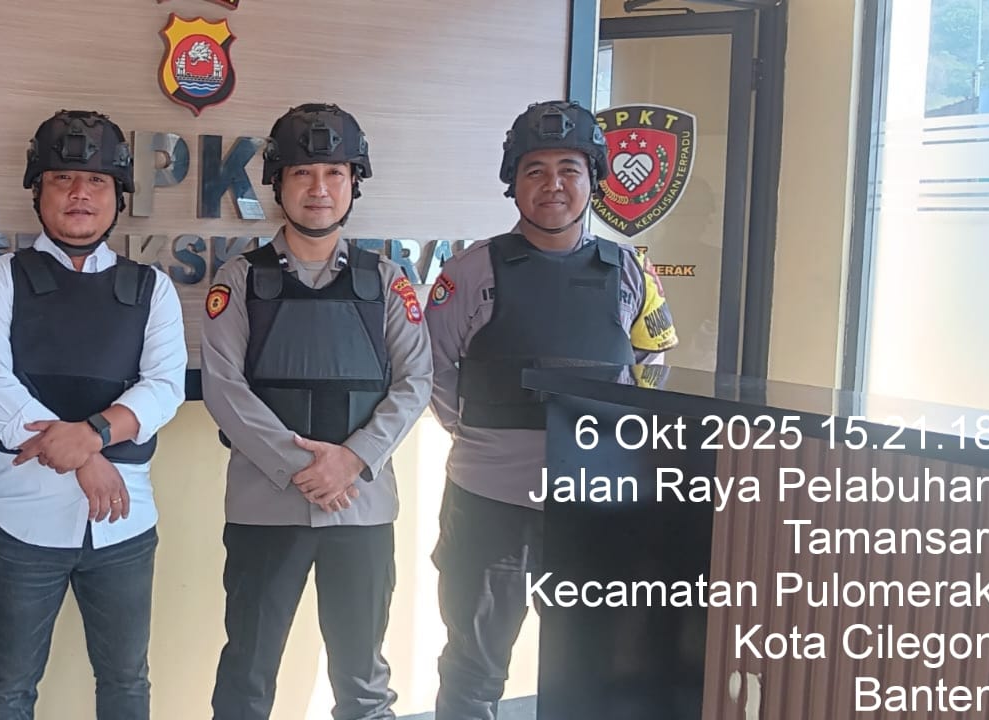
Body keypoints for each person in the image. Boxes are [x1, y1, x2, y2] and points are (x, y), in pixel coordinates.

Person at [422, 99, 679, 720]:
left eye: (569, 169)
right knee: (474, 666)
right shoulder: (469, 272)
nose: (553, 185)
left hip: (596, 502)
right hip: (490, 502)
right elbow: (433, 371)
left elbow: (653, 361)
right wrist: (484, 441)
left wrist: (613, 443)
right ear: (512, 182)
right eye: (534, 170)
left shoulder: (630, 271)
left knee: (589, 665)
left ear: (594, 179)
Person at [202, 103, 433, 720]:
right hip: (265, 506)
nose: (319, 188)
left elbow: (416, 380)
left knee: (364, 681)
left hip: (361, 507)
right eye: (302, 173)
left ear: (355, 182)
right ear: (277, 183)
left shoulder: (387, 281)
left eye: (335, 172)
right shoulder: (239, 279)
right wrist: (302, 467)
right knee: (248, 673)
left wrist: (352, 461)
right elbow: (223, 388)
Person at [0, 109, 187, 720]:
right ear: (38, 190)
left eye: (97, 181)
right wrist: (88, 459)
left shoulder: (151, 287)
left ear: (118, 196)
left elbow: (164, 388)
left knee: (126, 683)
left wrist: (90, 436)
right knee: (9, 688)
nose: (80, 193)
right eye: (62, 178)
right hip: (21, 521)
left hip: (124, 523)